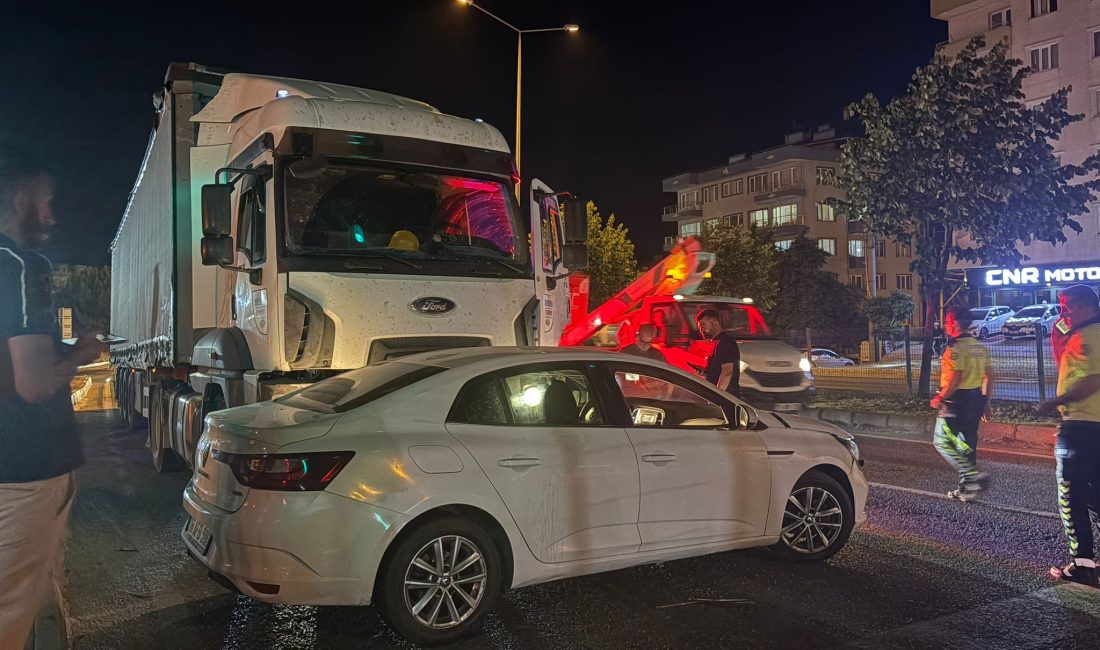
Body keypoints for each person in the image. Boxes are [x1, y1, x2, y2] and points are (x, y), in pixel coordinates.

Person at [0, 146, 103, 650]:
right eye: (44, 200)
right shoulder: (20, 265)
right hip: (25, 469)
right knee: (11, 606)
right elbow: (34, 384)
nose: (51, 215)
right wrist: (80, 355)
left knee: (35, 598)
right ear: (19, 199)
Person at [1036, 285, 1100, 587]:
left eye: (1068, 306)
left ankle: (1082, 564)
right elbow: (1066, 364)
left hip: (1082, 426)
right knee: (1093, 493)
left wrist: (1055, 402)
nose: (1063, 312)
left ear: (1088, 307)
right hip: (1088, 426)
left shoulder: (1092, 336)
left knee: (1070, 495)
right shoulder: (1081, 335)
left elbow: (1094, 380)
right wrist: (1057, 336)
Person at [930, 305, 994, 502]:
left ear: (955, 323)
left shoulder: (955, 348)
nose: (945, 325)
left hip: (955, 401)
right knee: (967, 444)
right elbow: (989, 376)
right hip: (975, 399)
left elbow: (956, 379)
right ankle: (968, 490)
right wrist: (986, 402)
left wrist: (939, 398)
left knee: (941, 441)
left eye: (948, 321)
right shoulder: (979, 347)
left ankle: (972, 475)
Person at [695, 308, 740, 397]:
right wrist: (705, 372)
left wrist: (718, 396)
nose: (701, 330)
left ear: (715, 323)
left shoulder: (725, 342)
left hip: (727, 398)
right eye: (699, 327)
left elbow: (727, 371)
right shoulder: (717, 342)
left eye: (703, 325)